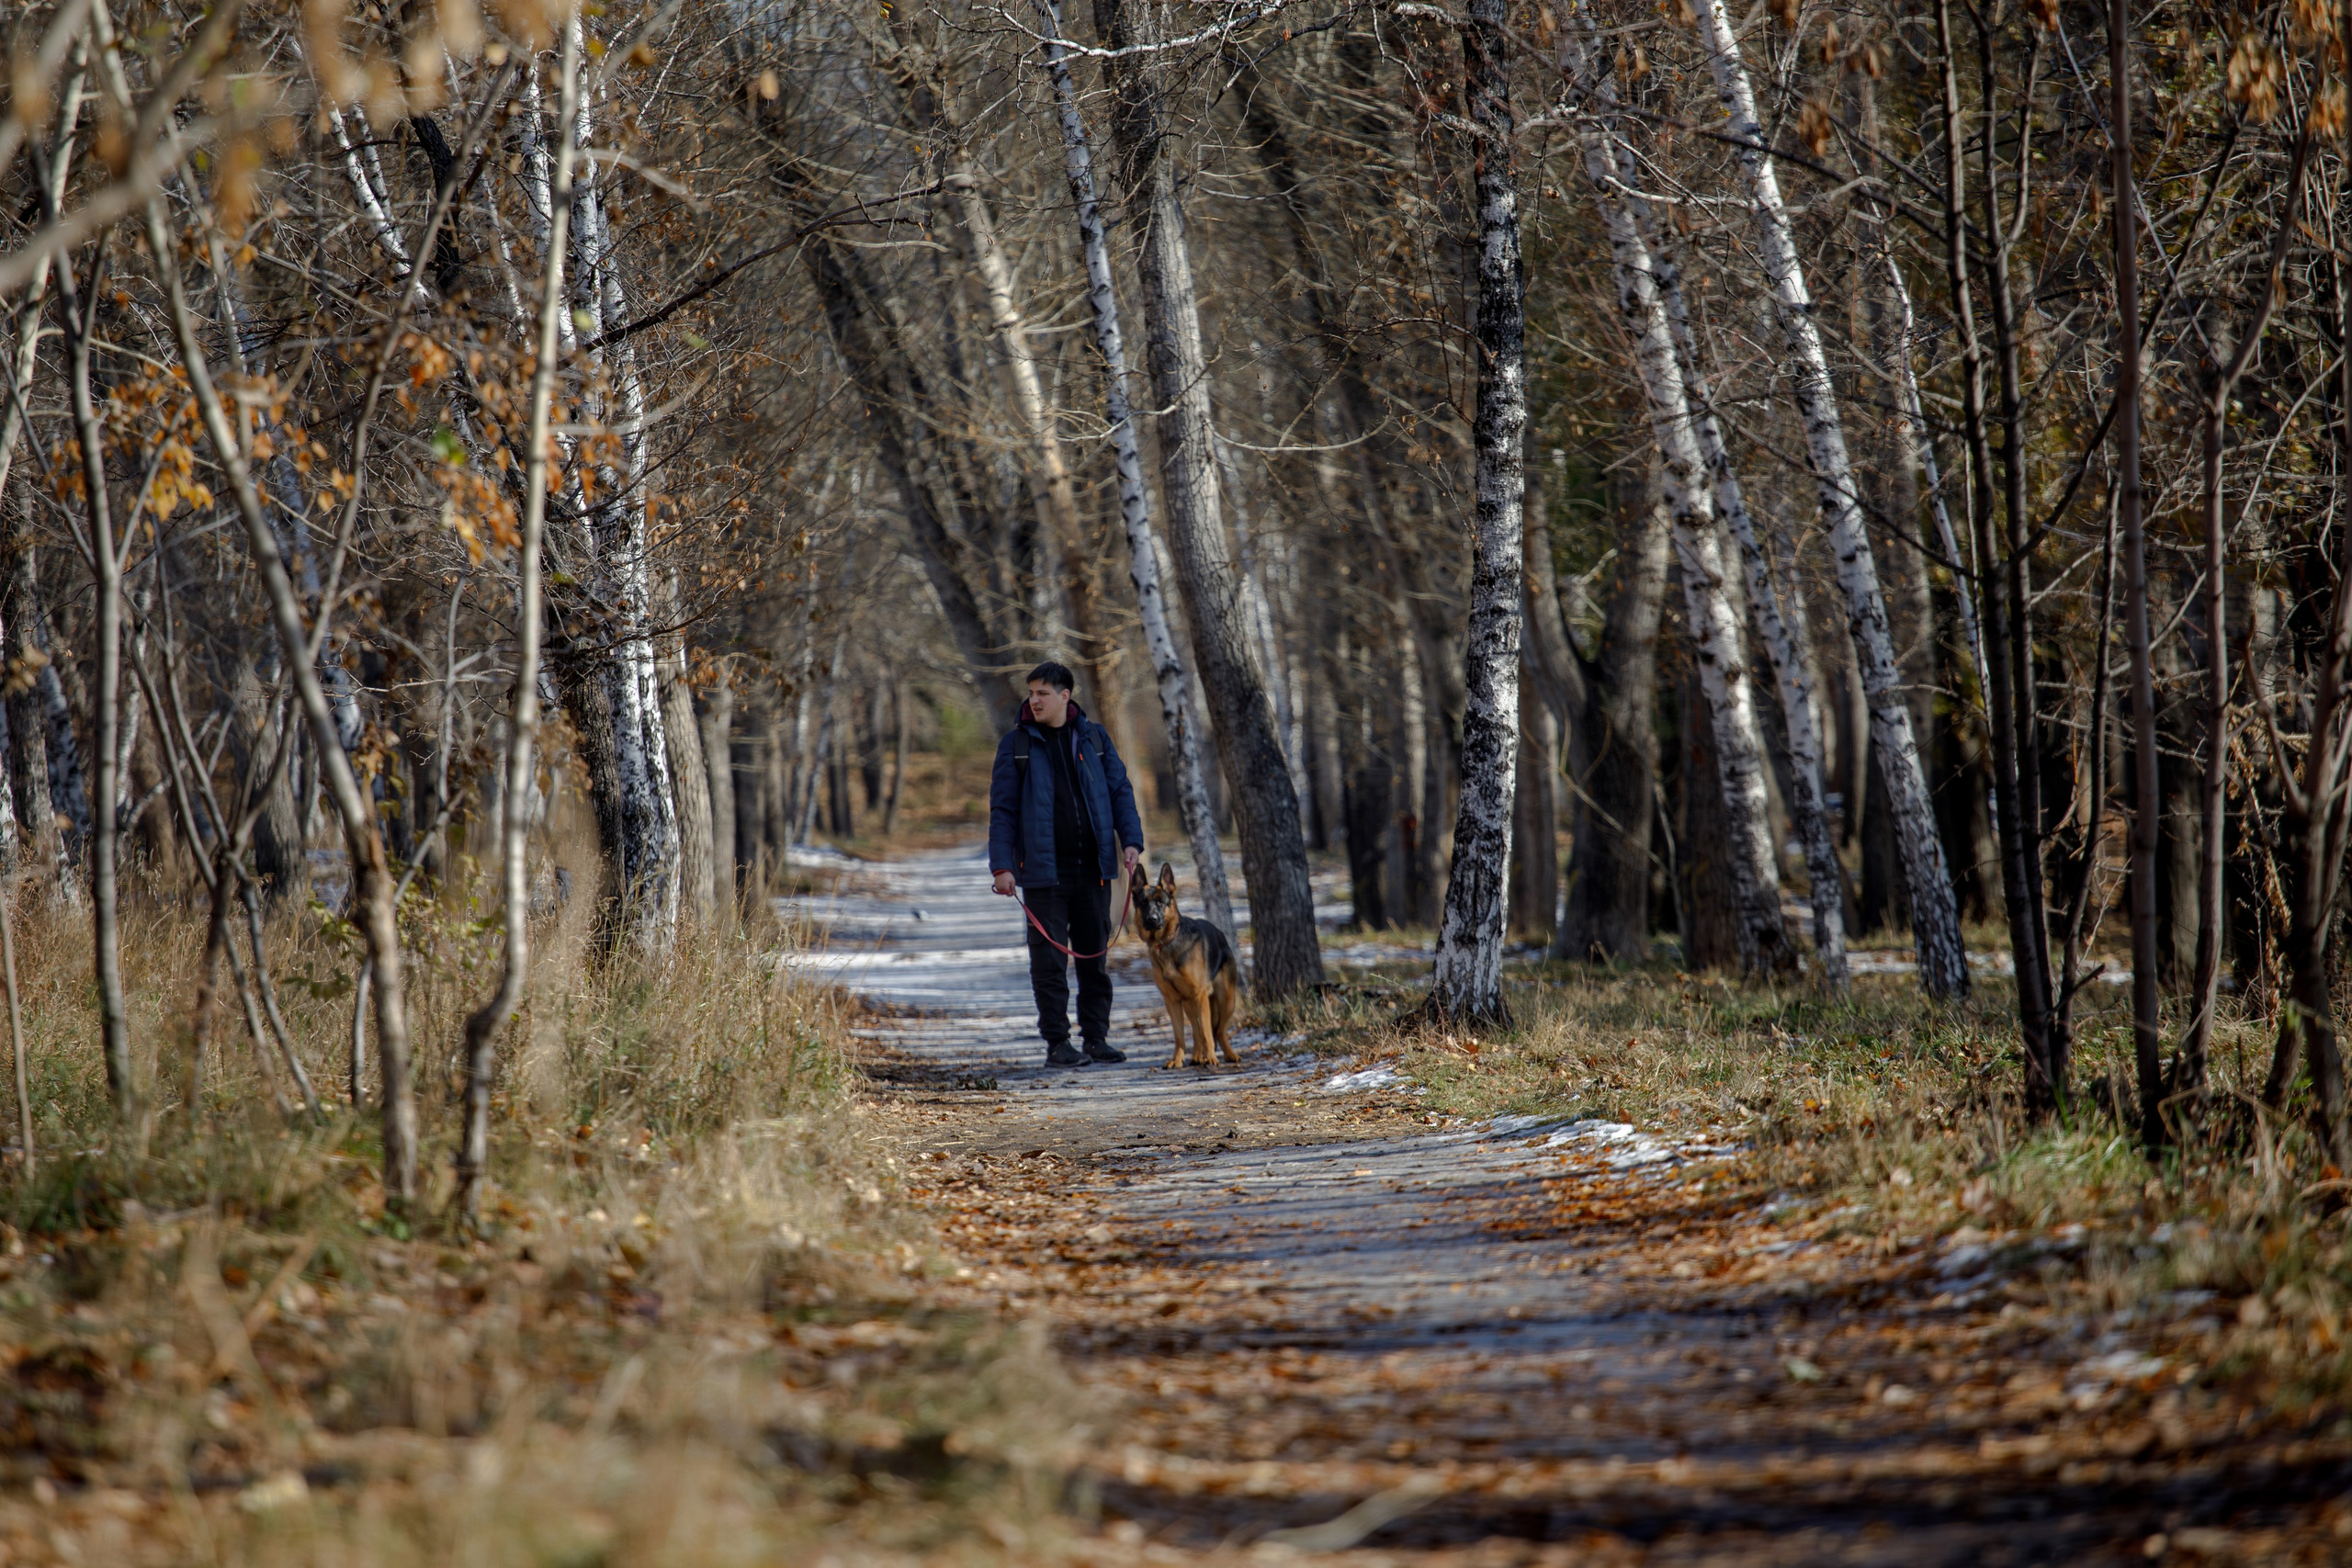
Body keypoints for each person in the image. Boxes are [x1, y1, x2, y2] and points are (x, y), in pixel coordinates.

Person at [989, 662, 1145, 1066]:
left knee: (1095, 960)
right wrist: (1002, 867)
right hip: (1042, 874)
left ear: (1065, 696)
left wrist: (1131, 841)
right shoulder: (1017, 744)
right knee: (1049, 964)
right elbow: (1002, 810)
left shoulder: (1094, 738)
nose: (1033, 700)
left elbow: (1120, 791)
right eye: (1031, 693)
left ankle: (1096, 1037)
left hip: (1094, 870)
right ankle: (1057, 1043)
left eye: (1042, 693)